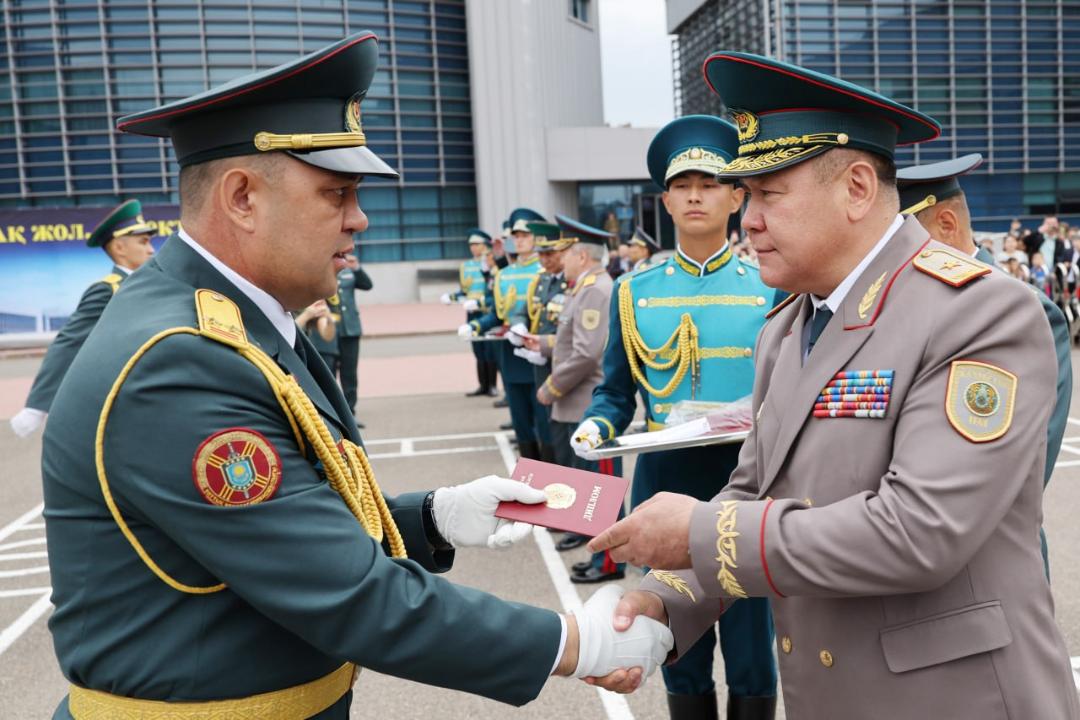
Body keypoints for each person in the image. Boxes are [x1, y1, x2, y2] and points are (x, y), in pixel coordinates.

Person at [40, 34, 675, 719]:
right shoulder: (181, 360)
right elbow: (344, 592)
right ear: (242, 197)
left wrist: (430, 516)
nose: (359, 218)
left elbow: (285, 527)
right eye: (336, 193)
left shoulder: (233, 321)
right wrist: (575, 642)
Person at [588, 51, 1080, 719]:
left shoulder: (979, 312)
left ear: (856, 188)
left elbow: (919, 532)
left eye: (768, 194)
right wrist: (663, 602)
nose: (747, 220)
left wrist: (698, 532)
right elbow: (752, 489)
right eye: (747, 196)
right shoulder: (788, 327)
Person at [572, 115, 782, 720]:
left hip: (746, 485)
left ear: (737, 197)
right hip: (663, 486)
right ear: (665, 201)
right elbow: (616, 392)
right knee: (673, 647)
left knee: (752, 650)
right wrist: (596, 425)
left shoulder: (770, 286)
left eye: (710, 184)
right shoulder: (634, 292)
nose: (695, 196)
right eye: (682, 185)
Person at [897, 153, 1072, 580]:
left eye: (901, 238)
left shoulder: (1022, 311)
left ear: (946, 225)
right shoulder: (907, 308)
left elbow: (1017, 469)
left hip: (991, 566)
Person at [527, 215, 627, 579]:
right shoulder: (583, 287)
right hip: (575, 402)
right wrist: (543, 344)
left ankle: (609, 562)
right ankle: (596, 550)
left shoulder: (595, 290)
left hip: (586, 401)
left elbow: (586, 354)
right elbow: (572, 340)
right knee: (586, 486)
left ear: (582, 256)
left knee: (600, 489)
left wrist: (551, 387)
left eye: (566, 252)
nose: (561, 259)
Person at [10, 199, 156, 438]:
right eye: (143, 242)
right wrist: (37, 406)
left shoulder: (151, 285)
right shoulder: (107, 291)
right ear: (119, 247)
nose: (151, 250)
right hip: (125, 398)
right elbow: (69, 342)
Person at [462, 208, 553, 460]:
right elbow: (497, 313)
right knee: (520, 420)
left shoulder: (545, 272)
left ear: (537, 238)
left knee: (545, 422)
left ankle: (551, 472)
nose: (519, 240)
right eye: (517, 236)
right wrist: (476, 326)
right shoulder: (504, 274)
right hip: (510, 353)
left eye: (525, 235)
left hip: (538, 353)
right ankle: (530, 470)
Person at [514, 221, 571, 462]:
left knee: (563, 421)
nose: (545, 260)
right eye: (541, 255)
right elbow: (525, 310)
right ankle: (550, 466)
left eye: (550, 254)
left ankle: (562, 466)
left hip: (563, 361)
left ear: (563, 252)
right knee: (545, 418)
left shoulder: (572, 281)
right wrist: (518, 325)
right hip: (539, 359)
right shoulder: (541, 280)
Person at [444, 229, 499, 397]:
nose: (473, 247)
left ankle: (492, 385)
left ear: (486, 245)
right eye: (471, 245)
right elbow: (464, 290)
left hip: (487, 311)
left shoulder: (492, 264)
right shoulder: (465, 266)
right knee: (477, 348)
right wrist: (451, 297)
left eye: (477, 244)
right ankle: (482, 385)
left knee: (489, 349)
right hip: (471, 311)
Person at [326, 249, 371, 427]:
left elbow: (367, 285)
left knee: (349, 374)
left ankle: (350, 414)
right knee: (329, 373)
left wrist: (357, 268)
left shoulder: (349, 271)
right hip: (329, 331)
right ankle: (331, 415)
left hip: (350, 329)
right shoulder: (322, 271)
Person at [296, 299, 338, 368]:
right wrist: (307, 315)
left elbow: (327, 336)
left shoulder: (315, 300)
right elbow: (286, 332)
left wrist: (329, 318)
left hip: (303, 353)